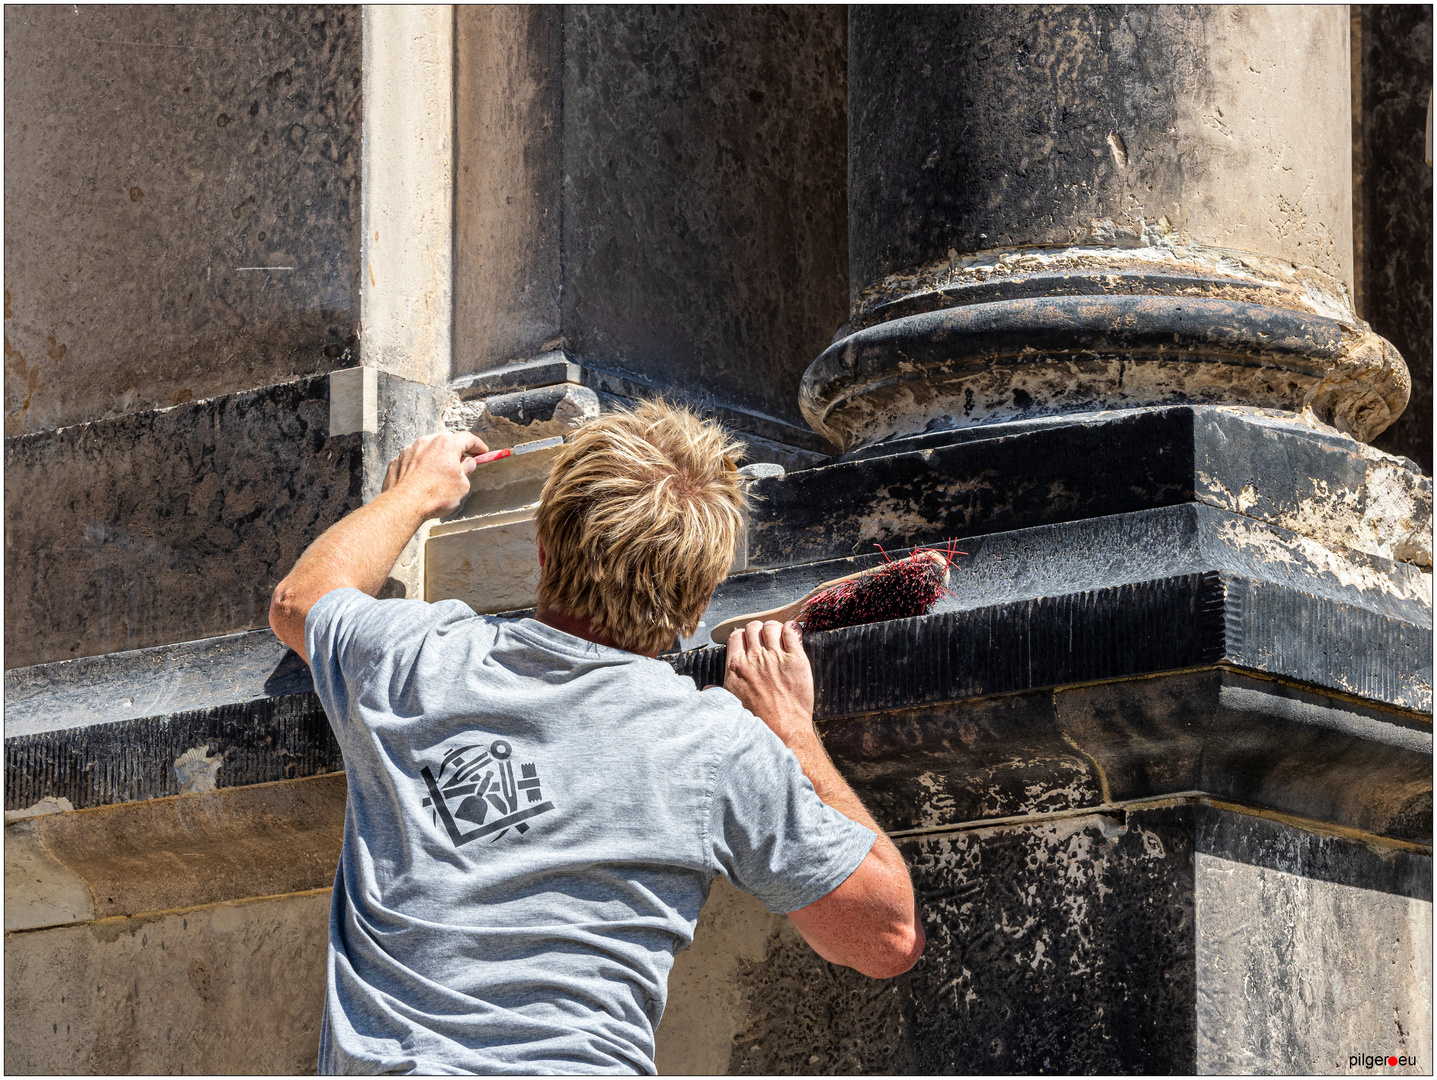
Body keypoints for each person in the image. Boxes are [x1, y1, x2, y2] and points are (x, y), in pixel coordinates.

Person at [268, 399, 924, 1075]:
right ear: (700, 599)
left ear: (544, 546)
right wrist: (791, 731)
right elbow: (885, 936)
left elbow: (302, 598)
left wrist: (416, 494)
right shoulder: (713, 744)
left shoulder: (419, 661)